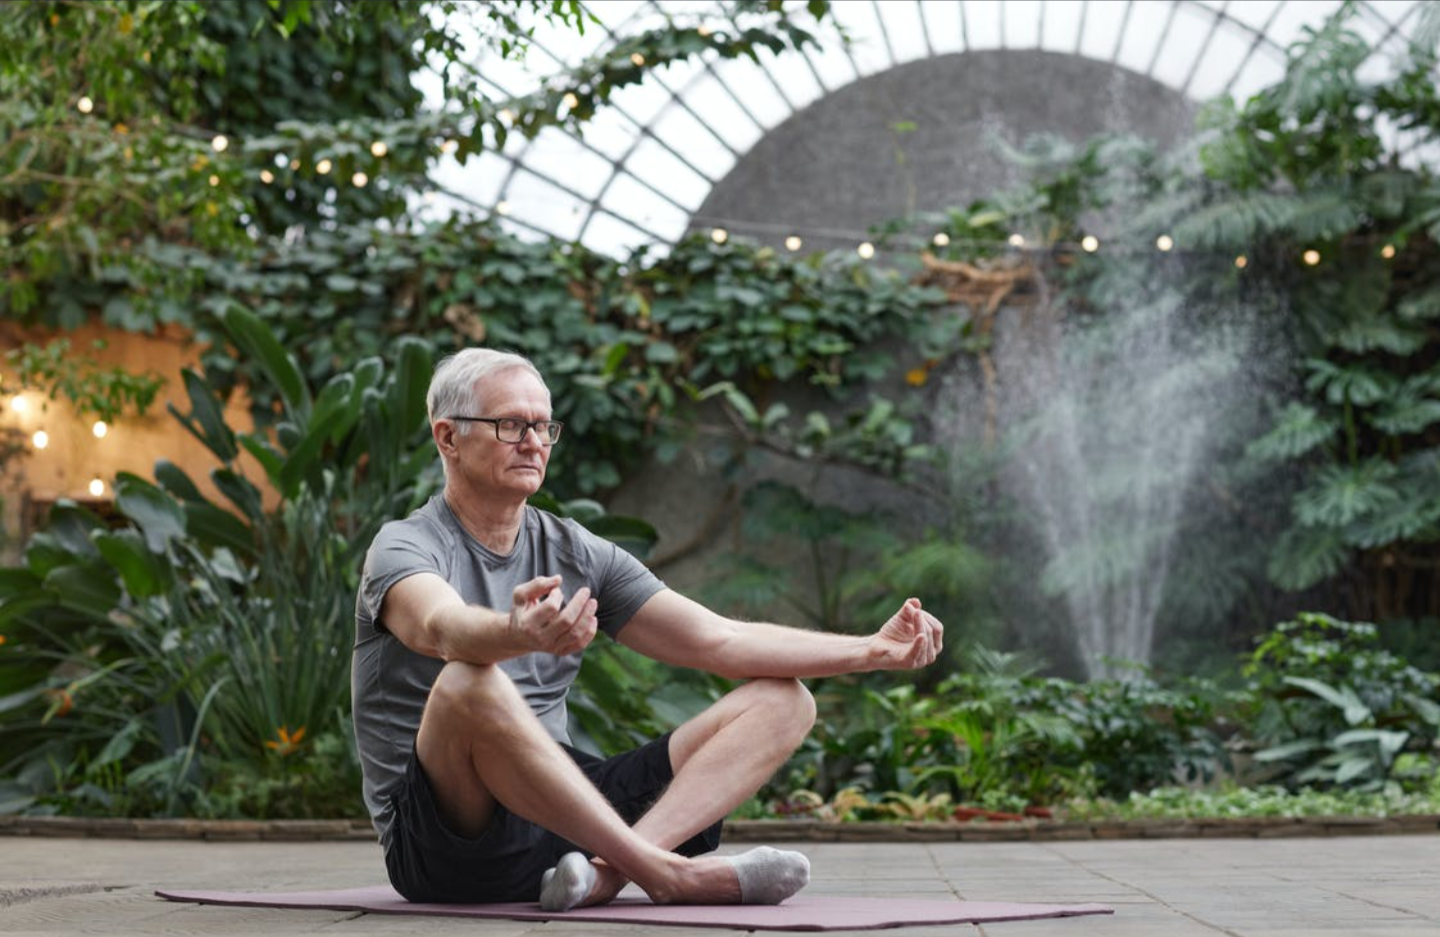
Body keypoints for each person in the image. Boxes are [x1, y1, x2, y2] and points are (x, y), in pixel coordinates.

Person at [352, 347, 944, 911]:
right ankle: (664, 873)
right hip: (447, 845)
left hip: (566, 827)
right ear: (448, 436)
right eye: (511, 425)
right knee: (466, 684)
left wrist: (871, 649)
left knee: (784, 700)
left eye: (544, 426)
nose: (533, 442)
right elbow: (442, 627)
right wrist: (519, 632)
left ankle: (607, 876)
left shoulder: (575, 549)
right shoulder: (405, 546)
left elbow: (719, 641)